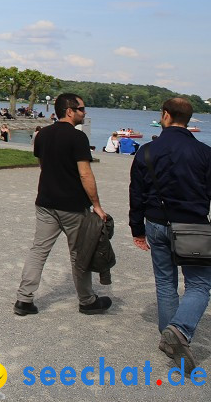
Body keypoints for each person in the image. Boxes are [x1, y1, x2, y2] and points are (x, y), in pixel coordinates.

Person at [129, 97, 211, 371]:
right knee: (199, 284)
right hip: (192, 225)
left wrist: (136, 229)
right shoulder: (204, 153)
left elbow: (136, 194)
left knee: (166, 282)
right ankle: (179, 331)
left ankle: (170, 334)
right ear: (188, 119)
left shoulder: (147, 151)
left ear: (165, 115)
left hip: (156, 221)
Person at [14, 93, 111, 316]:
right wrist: (96, 205)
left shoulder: (43, 135)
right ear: (69, 111)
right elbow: (85, 174)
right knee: (79, 253)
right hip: (73, 206)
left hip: (46, 201)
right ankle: (87, 301)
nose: (84, 113)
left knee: (38, 250)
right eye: (82, 109)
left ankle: (24, 299)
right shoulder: (77, 138)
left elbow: (42, 165)